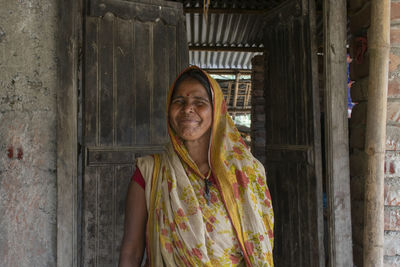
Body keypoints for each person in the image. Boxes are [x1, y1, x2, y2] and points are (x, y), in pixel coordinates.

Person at [119, 66, 274, 266]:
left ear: (216, 110)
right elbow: (131, 250)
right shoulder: (150, 172)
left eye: (199, 102)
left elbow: (260, 249)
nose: (187, 109)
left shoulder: (247, 173)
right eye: (179, 101)